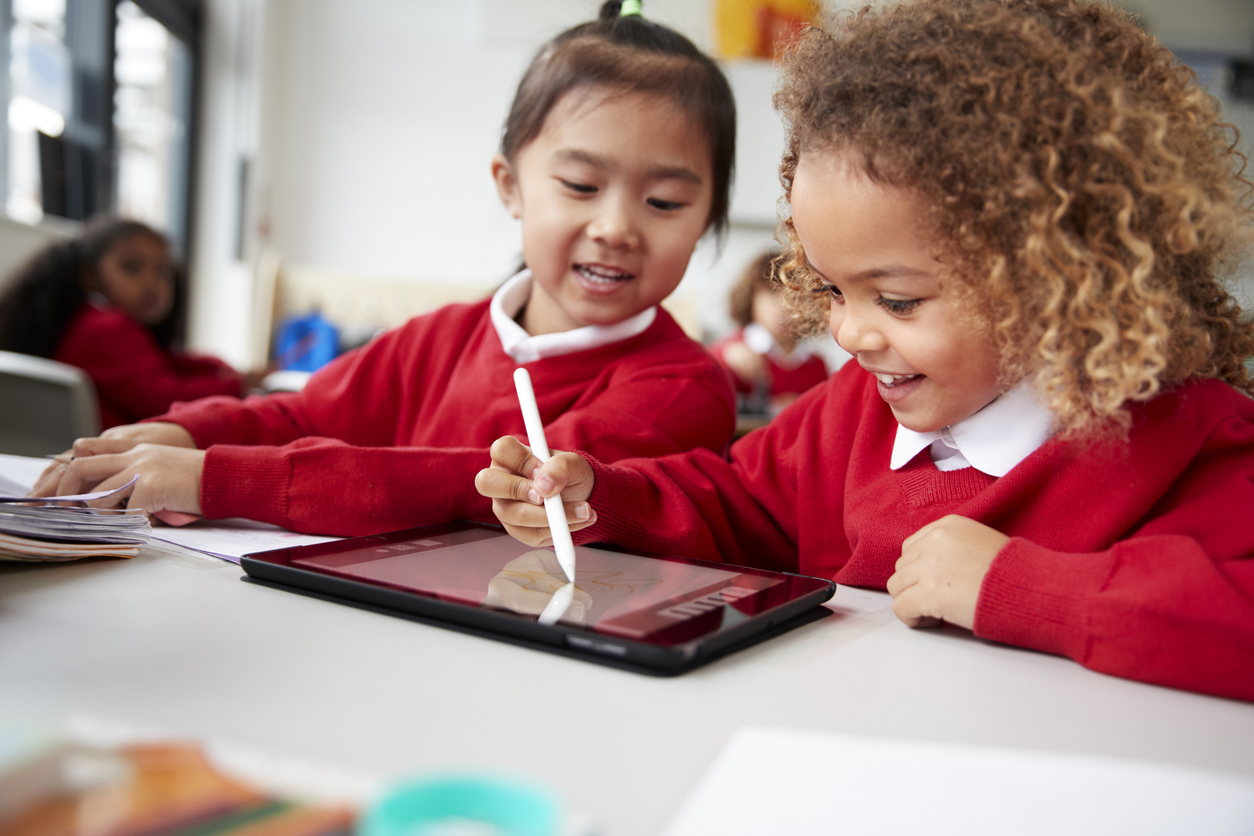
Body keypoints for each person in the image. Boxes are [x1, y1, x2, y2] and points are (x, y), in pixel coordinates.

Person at [476, 0, 1254, 701]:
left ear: (1056, 276)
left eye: (899, 300)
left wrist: (1018, 588)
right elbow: (737, 504)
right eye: (833, 291)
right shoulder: (855, 410)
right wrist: (600, 496)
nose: (849, 333)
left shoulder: (1189, 439)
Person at [34, 0, 737, 538]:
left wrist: (217, 478)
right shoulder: (440, 337)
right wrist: (191, 433)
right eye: (581, 186)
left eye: (665, 200)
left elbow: (491, 491)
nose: (616, 228)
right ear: (510, 185)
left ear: (706, 218)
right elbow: (306, 411)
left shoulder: (683, 386)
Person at [0, 217, 264, 428]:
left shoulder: (85, 319)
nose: (153, 283)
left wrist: (215, 367)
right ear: (89, 275)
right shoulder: (107, 327)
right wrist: (237, 385)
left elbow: (161, 364)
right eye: (132, 267)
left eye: (163, 272)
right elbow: (165, 399)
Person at [709, 250, 829, 413]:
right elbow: (706, 371)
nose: (783, 306)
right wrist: (726, 356)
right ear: (751, 298)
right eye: (772, 294)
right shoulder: (733, 350)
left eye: (794, 296)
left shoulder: (816, 367)